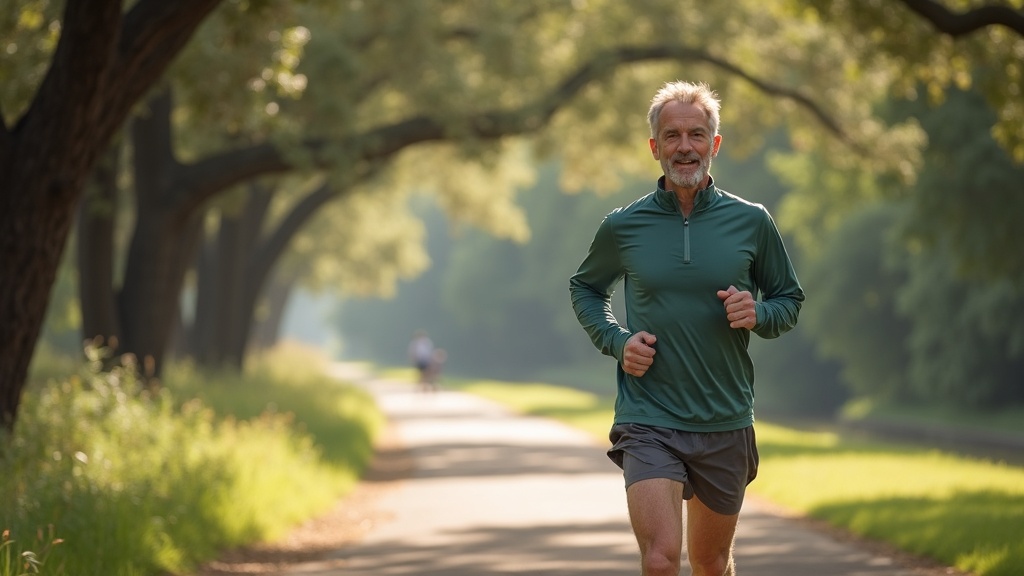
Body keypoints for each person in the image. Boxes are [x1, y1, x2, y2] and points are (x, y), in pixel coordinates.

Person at [568, 81, 804, 576]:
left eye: (696, 134)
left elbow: (789, 300)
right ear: (654, 147)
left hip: (725, 416)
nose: (684, 146)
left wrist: (758, 314)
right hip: (648, 415)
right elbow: (587, 289)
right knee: (659, 559)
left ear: (714, 144)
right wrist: (616, 341)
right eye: (671, 135)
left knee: (711, 563)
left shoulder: (752, 222)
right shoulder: (623, 226)